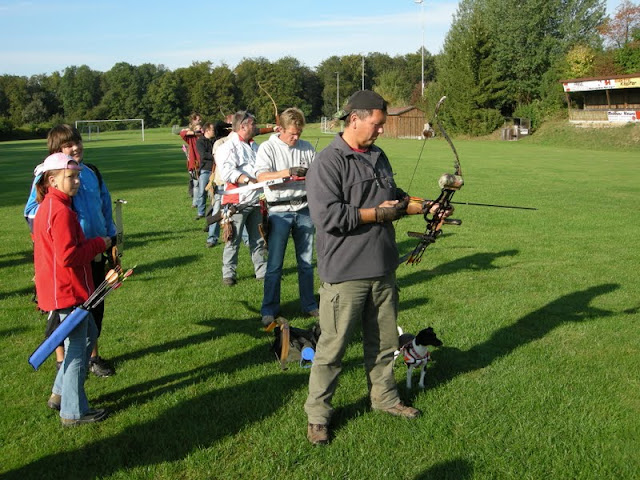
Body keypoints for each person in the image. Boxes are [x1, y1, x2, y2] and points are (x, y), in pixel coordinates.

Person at [303, 90, 448, 445]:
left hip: (383, 267)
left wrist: (427, 207)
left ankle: (385, 398)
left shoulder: (378, 155)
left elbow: (395, 197)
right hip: (345, 272)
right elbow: (327, 217)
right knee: (332, 350)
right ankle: (318, 417)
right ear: (355, 119)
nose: (381, 130)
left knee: (384, 343)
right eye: (377, 124)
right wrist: (377, 214)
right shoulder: (328, 162)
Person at [25, 124, 117, 377]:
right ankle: (61, 360)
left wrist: (111, 238)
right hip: (68, 259)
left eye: (77, 142)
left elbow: (104, 206)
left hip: (95, 252)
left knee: (94, 307)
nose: (75, 148)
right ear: (56, 151)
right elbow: (32, 212)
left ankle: (92, 357)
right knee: (63, 314)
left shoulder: (91, 172)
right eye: (68, 145)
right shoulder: (48, 176)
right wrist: (62, 215)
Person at [33, 153, 111, 426]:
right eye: (71, 177)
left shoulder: (54, 206)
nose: (77, 181)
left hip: (66, 289)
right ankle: (73, 412)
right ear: (52, 180)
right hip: (66, 292)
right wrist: (99, 243)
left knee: (89, 334)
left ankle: (59, 394)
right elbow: (68, 256)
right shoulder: (59, 211)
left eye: (78, 176)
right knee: (77, 349)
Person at [254, 107, 319, 326]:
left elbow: (318, 174)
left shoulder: (307, 147)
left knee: (306, 263)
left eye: (299, 133)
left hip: (304, 209)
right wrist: (288, 172)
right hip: (278, 211)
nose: (296, 137)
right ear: (280, 129)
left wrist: (311, 174)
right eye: (292, 133)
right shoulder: (268, 147)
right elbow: (261, 176)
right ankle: (269, 309)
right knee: (274, 264)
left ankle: (309, 305)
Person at [215, 111, 267, 286]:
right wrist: (248, 180)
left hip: (256, 200)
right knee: (233, 240)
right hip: (236, 201)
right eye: (253, 124)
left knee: (258, 238)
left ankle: (262, 271)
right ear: (243, 126)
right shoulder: (227, 147)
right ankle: (228, 274)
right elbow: (227, 172)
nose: (256, 127)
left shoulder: (255, 146)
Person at [179, 112, 202, 210]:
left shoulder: (204, 136)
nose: (200, 121)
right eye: (198, 120)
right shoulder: (191, 137)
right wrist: (195, 132)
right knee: (196, 184)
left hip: (205, 162)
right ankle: (195, 202)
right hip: (195, 162)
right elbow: (182, 133)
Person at [195, 122, 215, 222]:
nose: (214, 132)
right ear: (207, 130)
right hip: (205, 169)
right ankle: (200, 212)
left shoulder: (215, 140)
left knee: (215, 193)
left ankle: (214, 211)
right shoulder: (200, 142)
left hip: (215, 170)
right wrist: (215, 156)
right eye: (212, 130)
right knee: (202, 191)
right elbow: (203, 155)